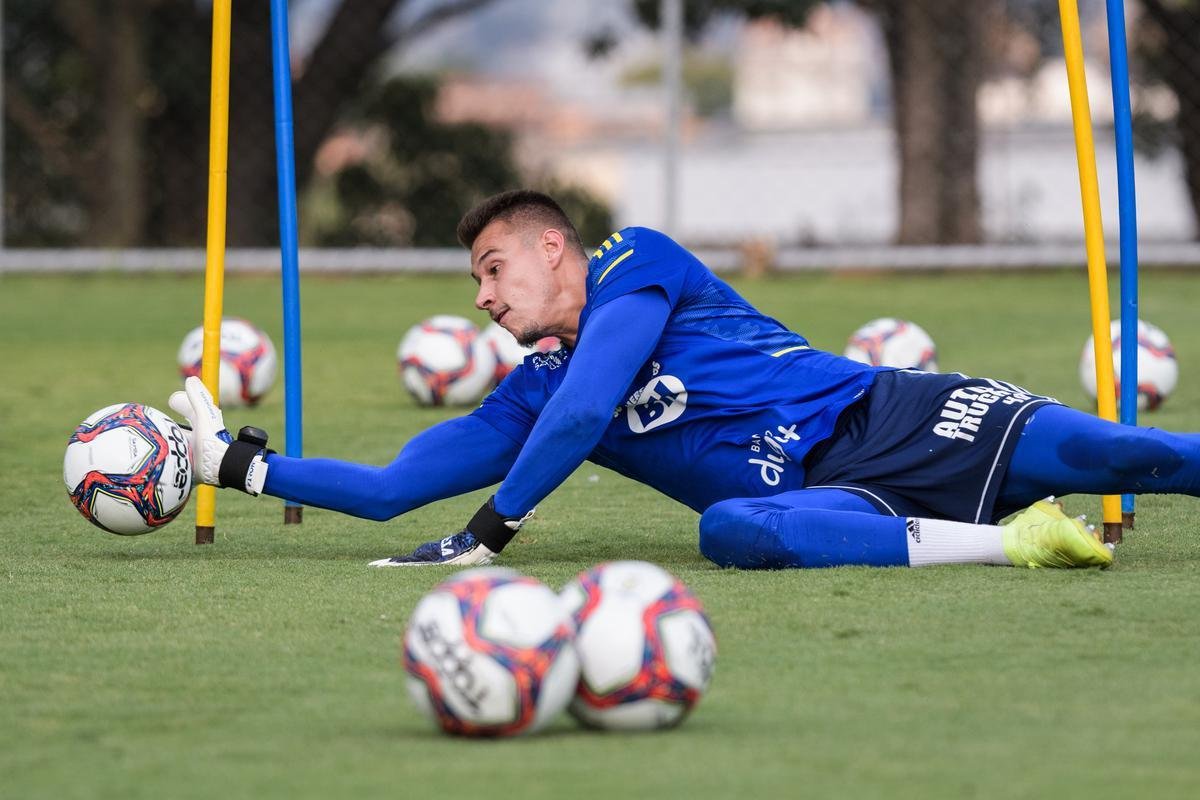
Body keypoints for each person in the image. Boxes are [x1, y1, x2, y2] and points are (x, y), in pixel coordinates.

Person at [169, 190, 1200, 570]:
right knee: (731, 534)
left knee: (1132, 451)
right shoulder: (533, 387)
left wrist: (492, 530)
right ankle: (1016, 542)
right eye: (475, 280)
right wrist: (234, 464)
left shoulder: (637, 259)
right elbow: (395, 486)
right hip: (826, 494)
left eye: (492, 267)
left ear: (553, 248)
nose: (482, 295)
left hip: (900, 412)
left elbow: (585, 407)